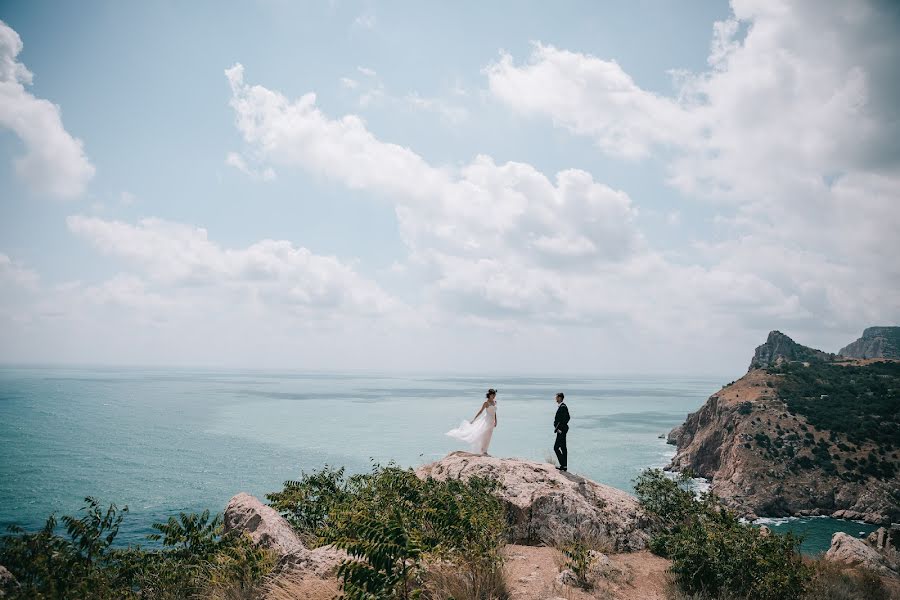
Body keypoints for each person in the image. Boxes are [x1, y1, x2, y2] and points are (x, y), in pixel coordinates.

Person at [446, 388, 498, 456]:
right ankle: (483, 451)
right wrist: (474, 419)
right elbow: (480, 411)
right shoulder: (486, 403)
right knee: (485, 435)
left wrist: (496, 421)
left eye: (495, 395)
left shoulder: (495, 402)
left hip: (492, 421)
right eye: (493, 395)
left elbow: (494, 412)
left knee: (489, 436)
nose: (494, 396)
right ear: (490, 395)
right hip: (486, 421)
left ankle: (485, 450)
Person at [553, 392, 569, 471]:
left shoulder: (563, 407)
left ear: (559, 398)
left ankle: (563, 464)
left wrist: (560, 428)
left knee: (556, 447)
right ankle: (564, 466)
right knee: (563, 448)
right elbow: (567, 418)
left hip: (561, 431)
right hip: (561, 430)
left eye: (556, 397)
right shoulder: (562, 406)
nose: (555, 398)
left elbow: (566, 418)